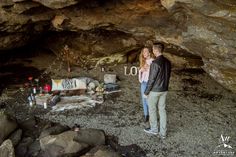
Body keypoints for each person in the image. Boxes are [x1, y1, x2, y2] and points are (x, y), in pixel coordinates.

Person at [143, 43, 171, 139]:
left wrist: (146, 92)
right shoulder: (168, 62)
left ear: (155, 50)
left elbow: (151, 79)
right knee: (162, 110)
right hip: (164, 90)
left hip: (155, 91)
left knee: (152, 109)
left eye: (153, 50)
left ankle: (154, 129)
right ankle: (163, 133)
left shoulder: (155, 63)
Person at [138, 47, 154, 122]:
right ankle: (146, 115)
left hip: (150, 83)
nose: (144, 53)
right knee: (144, 100)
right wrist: (141, 70)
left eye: (145, 51)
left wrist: (149, 68)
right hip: (143, 83)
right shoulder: (143, 62)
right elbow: (140, 78)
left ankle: (152, 116)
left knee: (149, 100)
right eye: (143, 52)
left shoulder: (153, 61)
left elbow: (155, 73)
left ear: (149, 53)